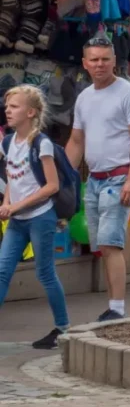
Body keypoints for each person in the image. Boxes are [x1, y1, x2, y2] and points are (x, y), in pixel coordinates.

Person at [64, 37, 130, 322]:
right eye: (94, 59)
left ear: (115, 60)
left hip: (119, 178)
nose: (100, 64)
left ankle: (117, 308)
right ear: (85, 63)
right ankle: (112, 304)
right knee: (102, 246)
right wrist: (63, 177)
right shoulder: (84, 97)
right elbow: (76, 141)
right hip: (95, 179)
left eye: (105, 59)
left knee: (112, 245)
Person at [0, 86, 71, 348]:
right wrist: (8, 202)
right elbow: (13, 178)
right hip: (17, 220)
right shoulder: (8, 142)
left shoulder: (42, 144)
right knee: (2, 271)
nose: (8, 110)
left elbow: (51, 186)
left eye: (14, 106)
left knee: (45, 273)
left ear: (31, 112)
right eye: (7, 106)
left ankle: (63, 327)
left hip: (40, 218)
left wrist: (15, 207)